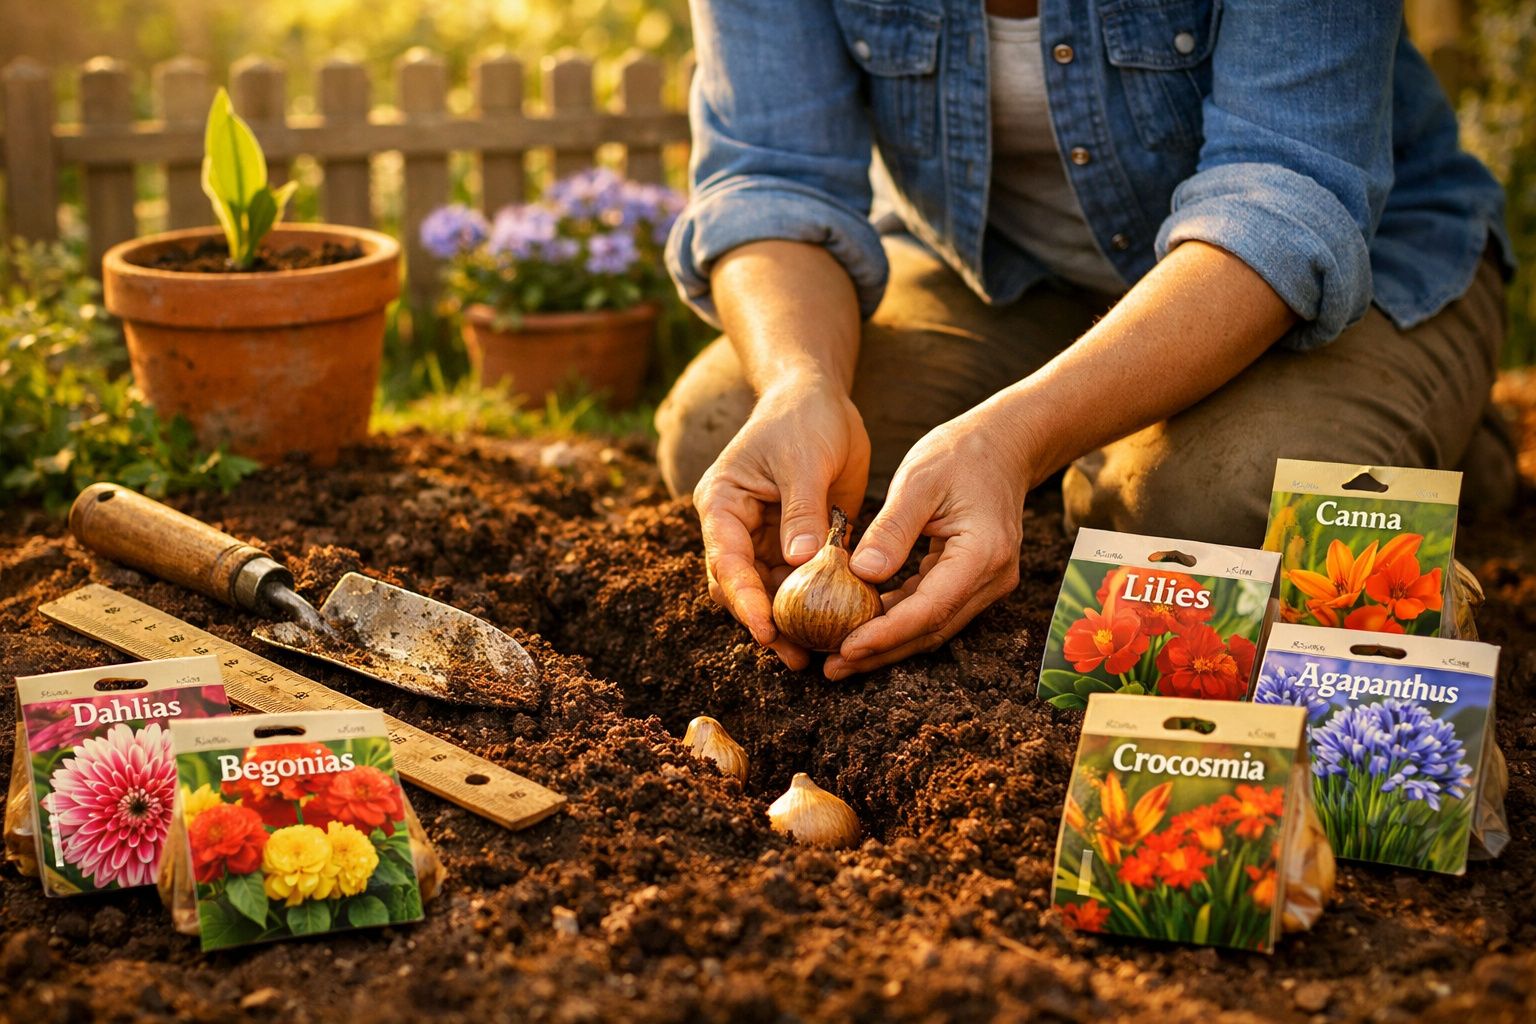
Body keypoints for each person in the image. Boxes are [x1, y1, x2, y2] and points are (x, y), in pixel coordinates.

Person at [654, 0, 1515, 680]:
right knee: (732, 432)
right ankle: (1086, 430)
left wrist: (1014, 437)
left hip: (1336, 270)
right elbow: (770, 174)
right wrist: (799, 383)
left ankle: (1426, 420)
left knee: (1201, 511)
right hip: (1005, 269)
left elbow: (1283, 198)